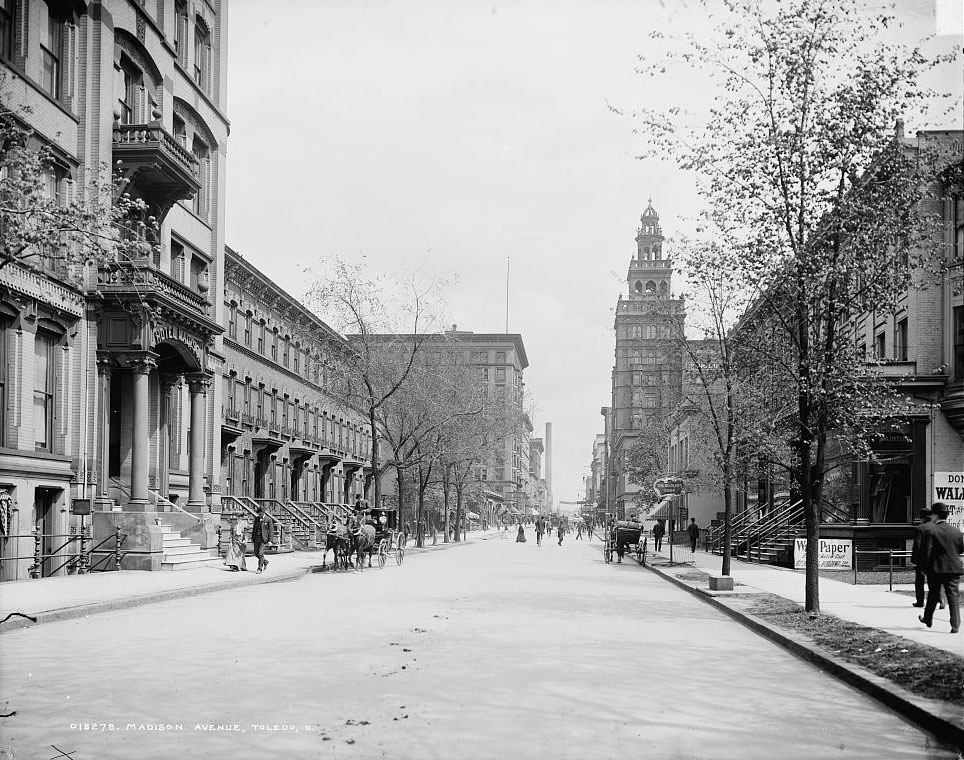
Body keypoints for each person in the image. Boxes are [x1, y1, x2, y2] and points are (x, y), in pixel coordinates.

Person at [918, 502, 963, 633]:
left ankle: (927, 619)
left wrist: (924, 568)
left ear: (935, 515)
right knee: (953, 596)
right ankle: (955, 625)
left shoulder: (931, 530)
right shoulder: (956, 531)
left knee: (933, 595)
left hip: (936, 568)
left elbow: (927, 551)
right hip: (954, 568)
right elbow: (960, 549)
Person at [912, 507, 944, 609]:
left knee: (919, 581)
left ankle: (920, 601)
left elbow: (917, 545)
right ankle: (941, 600)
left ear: (922, 517)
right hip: (934, 559)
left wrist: (915, 559)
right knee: (935, 582)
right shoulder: (936, 527)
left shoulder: (920, 528)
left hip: (922, 559)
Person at [252, 505, 274, 573]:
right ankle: (265, 561)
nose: (259, 514)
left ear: (263, 512)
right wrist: (252, 537)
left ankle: (259, 568)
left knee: (260, 553)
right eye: (258, 513)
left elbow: (271, 531)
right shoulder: (257, 519)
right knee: (256, 553)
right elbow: (254, 529)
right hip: (256, 538)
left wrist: (270, 540)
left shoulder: (268, 519)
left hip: (263, 539)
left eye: (260, 513)